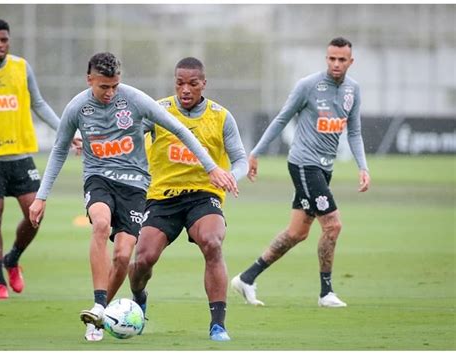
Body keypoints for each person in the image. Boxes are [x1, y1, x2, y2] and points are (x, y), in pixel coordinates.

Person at [28, 52, 238, 342]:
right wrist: (42, 196)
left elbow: (179, 129)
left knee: (130, 255)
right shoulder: (77, 107)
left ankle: (216, 324)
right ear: (89, 80)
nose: (110, 92)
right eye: (104, 87)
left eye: (115, 86)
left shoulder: (137, 100)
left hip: (145, 188)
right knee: (111, 233)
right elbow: (60, 149)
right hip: (115, 183)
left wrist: (213, 168)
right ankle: (101, 307)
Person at [231, 37, 371, 308]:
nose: (336, 64)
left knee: (297, 232)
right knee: (333, 225)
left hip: (324, 168)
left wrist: (362, 166)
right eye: (331, 58)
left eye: (342, 60)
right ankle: (326, 293)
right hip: (305, 165)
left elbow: (353, 131)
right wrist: (255, 153)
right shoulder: (308, 86)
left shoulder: (353, 90)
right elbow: (281, 119)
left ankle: (246, 279)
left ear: (350, 62)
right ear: (326, 58)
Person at [127, 57, 247, 342]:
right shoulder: (157, 111)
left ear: (204, 84)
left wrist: (231, 176)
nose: (185, 90)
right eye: (180, 83)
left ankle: (218, 325)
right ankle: (138, 298)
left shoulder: (221, 116)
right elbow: (126, 135)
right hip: (161, 197)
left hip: (203, 197)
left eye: (193, 84)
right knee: (143, 259)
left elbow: (240, 159)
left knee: (213, 242)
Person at [0, 18, 79, 300]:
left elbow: (38, 103)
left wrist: (66, 129)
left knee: (35, 213)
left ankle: (13, 259)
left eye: (3, 40)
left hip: (21, 155)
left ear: (8, 41)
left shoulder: (21, 67)